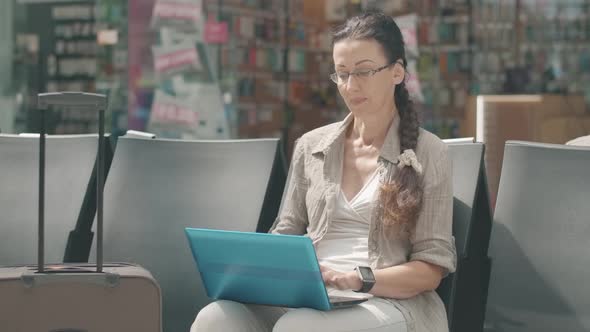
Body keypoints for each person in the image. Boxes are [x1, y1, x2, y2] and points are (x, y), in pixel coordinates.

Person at [191, 11, 456, 332]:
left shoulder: (430, 151)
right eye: (341, 73)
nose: (350, 85)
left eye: (364, 72)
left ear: (397, 72)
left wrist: (359, 279)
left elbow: (429, 270)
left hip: (389, 302)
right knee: (216, 318)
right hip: (309, 296)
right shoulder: (311, 146)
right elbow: (284, 235)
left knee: (298, 327)